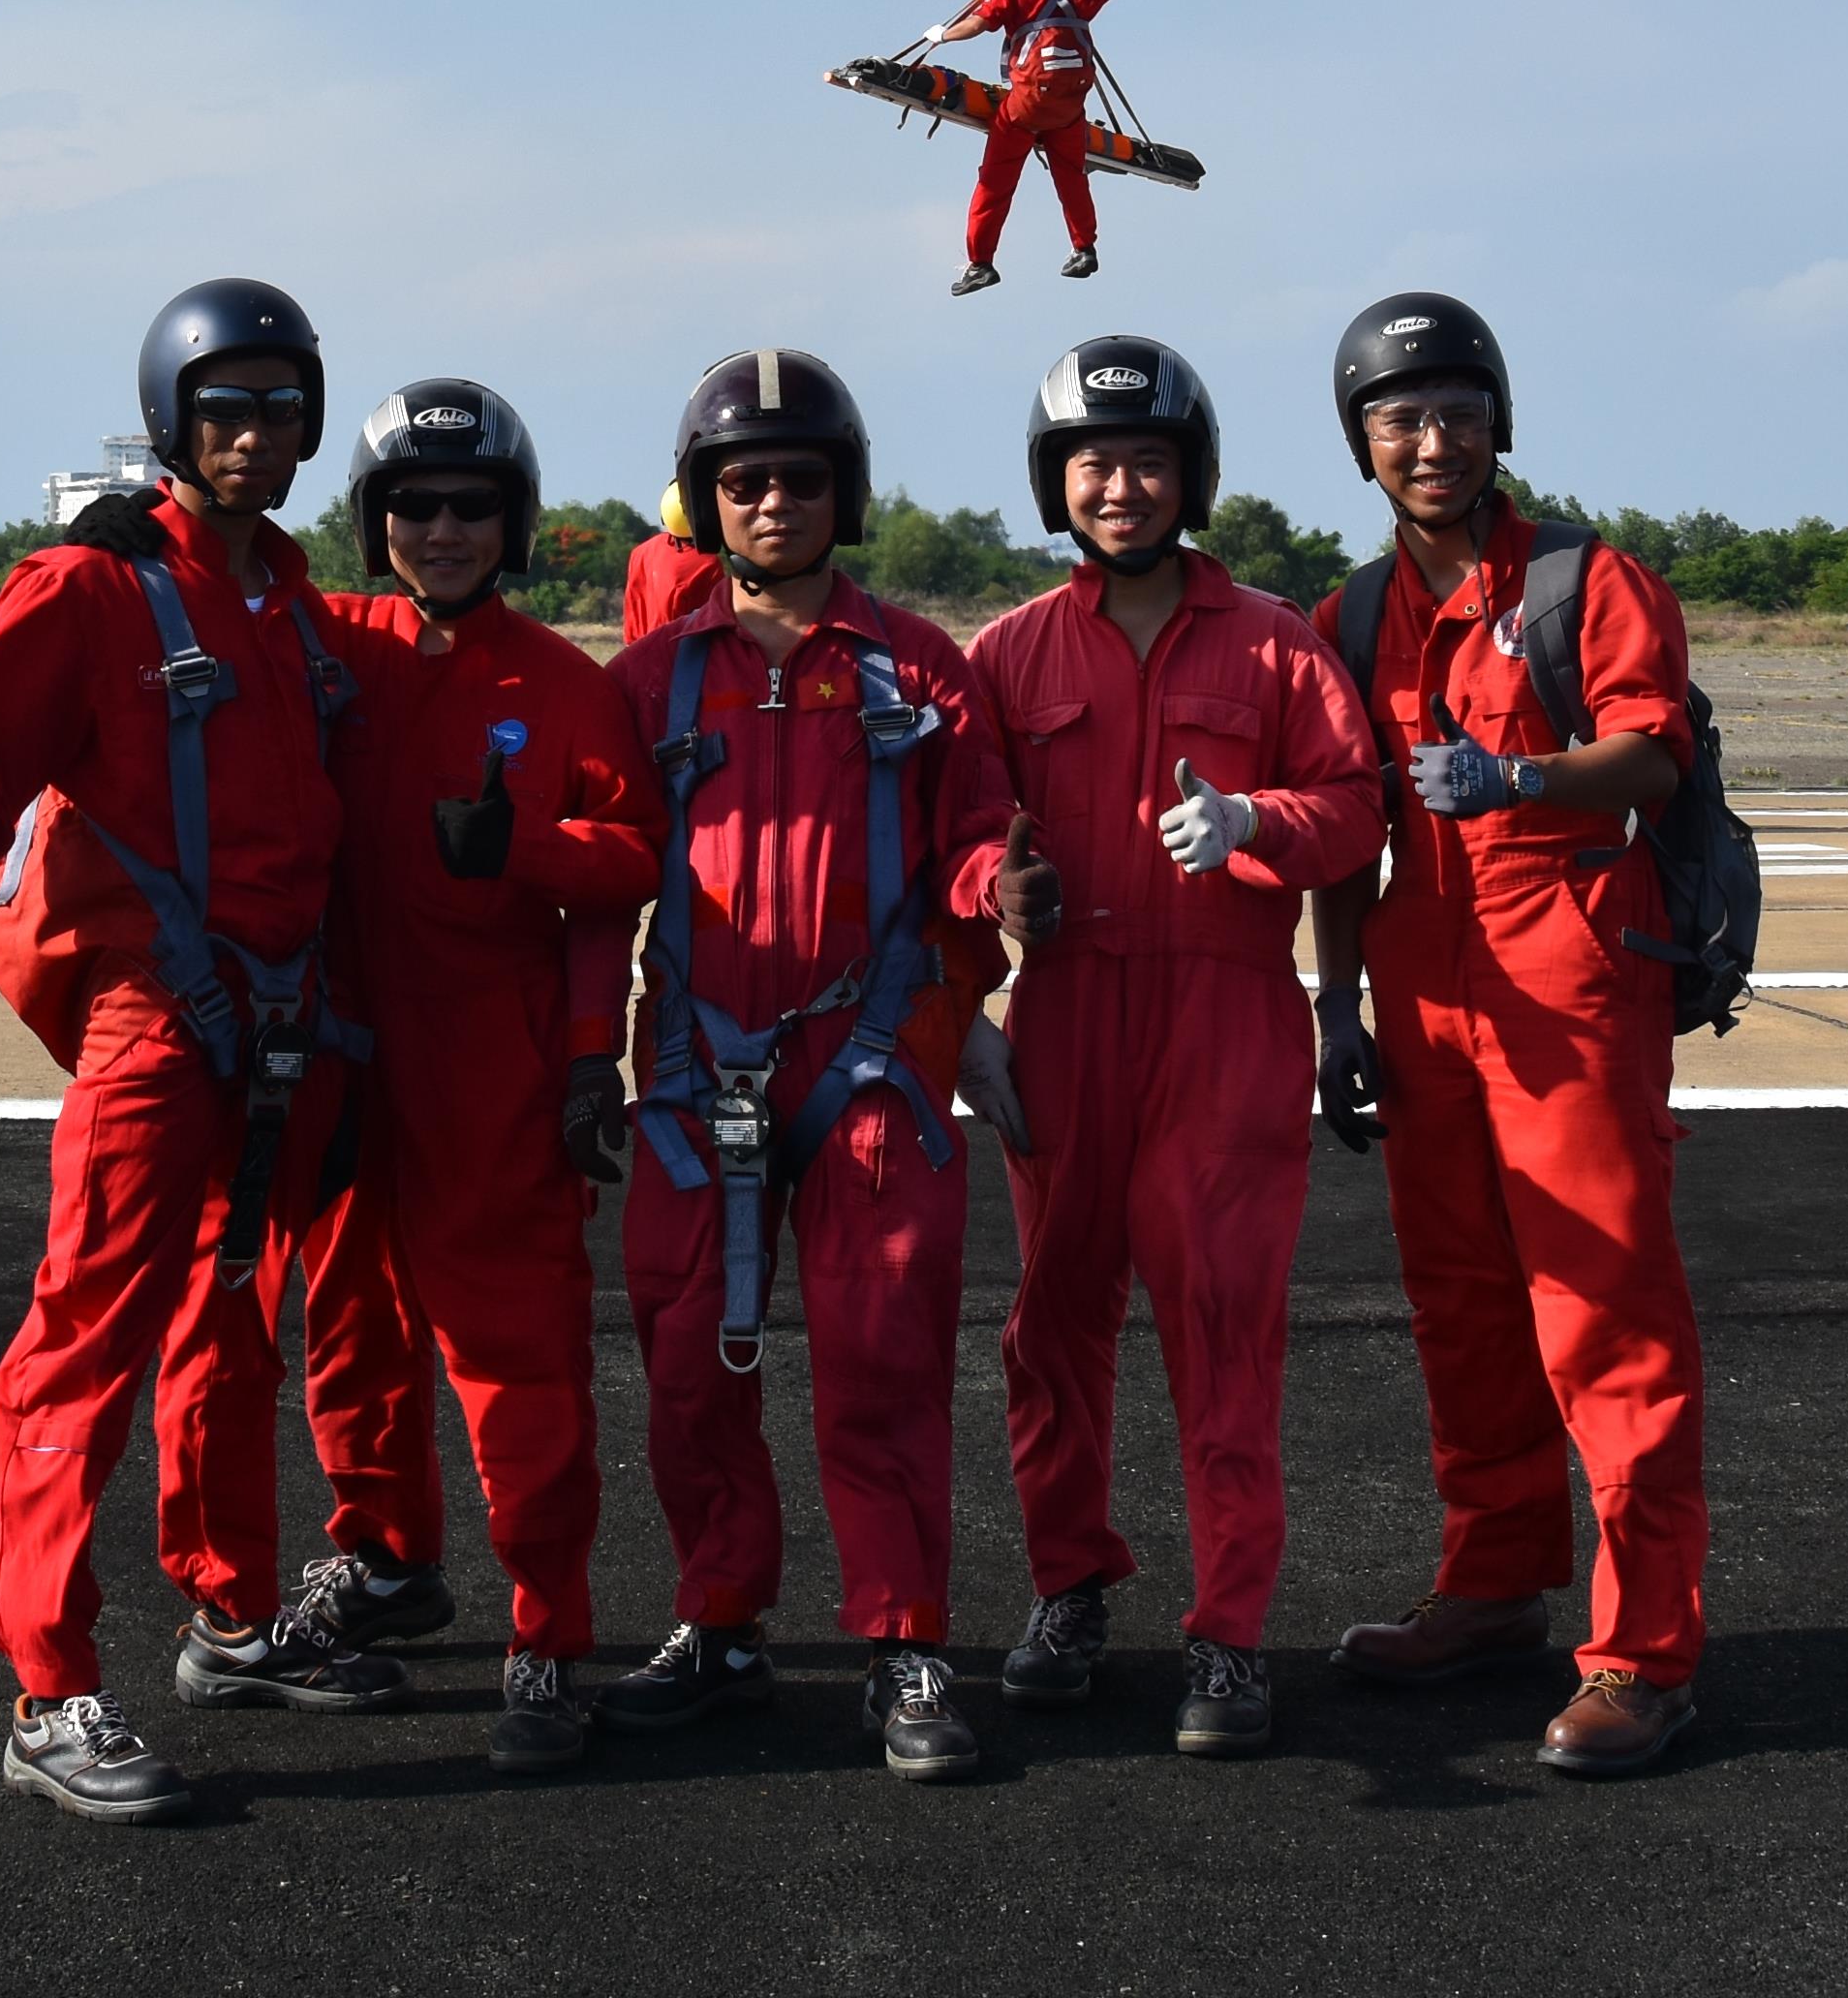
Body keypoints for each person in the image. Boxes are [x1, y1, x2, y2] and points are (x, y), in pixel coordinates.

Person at [0, 277, 389, 1828]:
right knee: (83, 1345)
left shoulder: (285, 602)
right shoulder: (91, 589)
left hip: (282, 1030)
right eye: (230, 410)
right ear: (172, 425)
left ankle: (233, 1616)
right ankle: (50, 1690)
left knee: (230, 1322)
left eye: (283, 408)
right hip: (156, 1029)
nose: (260, 435)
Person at [597, 347, 1026, 1784]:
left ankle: (905, 1643)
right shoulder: (653, 682)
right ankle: (720, 1619)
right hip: (693, 1070)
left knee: (883, 1361)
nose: (774, 501)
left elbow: (977, 834)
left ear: (843, 495)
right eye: (745, 481)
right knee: (682, 1362)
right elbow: (597, 874)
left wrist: (992, 897)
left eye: (799, 478)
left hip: (872, 1070)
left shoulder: (921, 668)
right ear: (707, 504)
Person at [1300, 292, 1713, 1775]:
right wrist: (1335, 1004)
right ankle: (1491, 1584)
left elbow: (1655, 761)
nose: (1432, 439)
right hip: (1419, 992)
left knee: (1606, 1322)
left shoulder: (1586, 583)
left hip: (1572, 982)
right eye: (1400, 417)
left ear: (1500, 426)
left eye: (1458, 412)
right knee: (1462, 1309)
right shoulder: (1346, 616)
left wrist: (1520, 778)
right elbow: (1348, 834)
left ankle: (1645, 1654)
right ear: (1361, 441)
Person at [960, 338, 1386, 1758]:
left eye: (1145, 461)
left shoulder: (1275, 641)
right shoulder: (1010, 652)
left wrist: (1262, 821)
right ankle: (1069, 1587)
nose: (1120, 485)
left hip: (1225, 1017)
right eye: (1092, 461)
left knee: (1221, 1329)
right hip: (1069, 1014)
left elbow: (1356, 809)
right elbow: (953, 828)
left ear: (1189, 477)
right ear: (1055, 481)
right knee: (1051, 1326)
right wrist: (986, 914)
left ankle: (1230, 1632)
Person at [281, 379, 661, 1774]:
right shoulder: (330, 650)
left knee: (517, 1365)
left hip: (488, 1065)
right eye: (413, 507)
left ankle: (549, 1638)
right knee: (349, 1339)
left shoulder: (567, 689)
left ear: (514, 522)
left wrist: (521, 856)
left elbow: (634, 862)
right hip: (338, 1056)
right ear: (374, 522)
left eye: (469, 507)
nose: (442, 530)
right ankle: (383, 1559)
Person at [908, 0, 1133, 295]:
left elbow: (977, 23)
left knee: (995, 181)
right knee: (1072, 178)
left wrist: (941, 35)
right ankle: (1084, 247)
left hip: (1026, 106)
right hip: (1069, 106)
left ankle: (980, 263)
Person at [615, 481, 718, 641]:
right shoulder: (707, 562)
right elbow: (712, 621)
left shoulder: (641, 552)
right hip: (677, 655)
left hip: (636, 652)